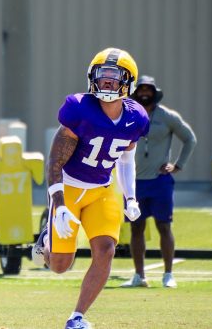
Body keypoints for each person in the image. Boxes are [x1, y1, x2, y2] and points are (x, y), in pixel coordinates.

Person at [32, 48, 150, 329]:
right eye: (103, 76)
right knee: (60, 266)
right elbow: (55, 162)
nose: (107, 82)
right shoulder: (79, 109)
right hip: (69, 188)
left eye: (114, 77)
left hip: (103, 189)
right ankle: (45, 240)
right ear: (92, 78)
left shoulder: (137, 118)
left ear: (128, 82)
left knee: (106, 248)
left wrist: (131, 197)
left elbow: (126, 157)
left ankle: (77, 317)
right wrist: (58, 205)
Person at [120, 75, 197, 289]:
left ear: (155, 93)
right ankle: (139, 276)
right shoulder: (127, 115)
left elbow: (190, 138)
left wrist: (177, 165)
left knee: (164, 226)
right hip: (134, 182)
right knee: (136, 228)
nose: (145, 92)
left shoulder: (167, 116)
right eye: (141, 89)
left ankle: (168, 274)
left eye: (149, 89)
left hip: (159, 181)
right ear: (136, 93)